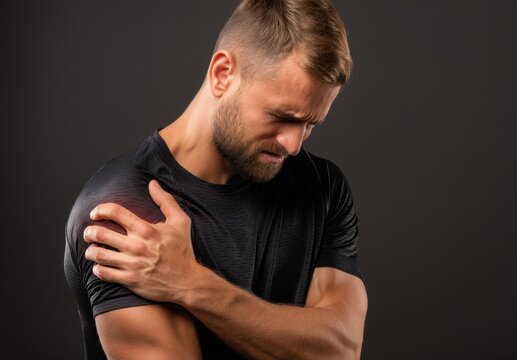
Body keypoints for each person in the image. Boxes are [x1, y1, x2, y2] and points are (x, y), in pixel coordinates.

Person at [64, 0, 368, 358]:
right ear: (223, 73)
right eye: (282, 116)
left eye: (310, 124)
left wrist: (193, 285)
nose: (294, 144)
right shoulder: (125, 211)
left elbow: (342, 349)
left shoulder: (321, 187)